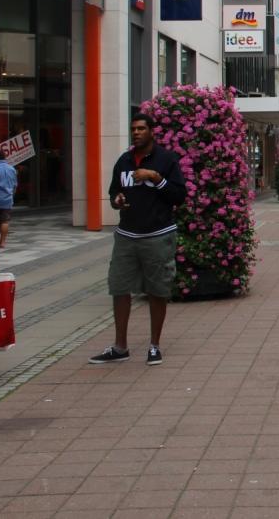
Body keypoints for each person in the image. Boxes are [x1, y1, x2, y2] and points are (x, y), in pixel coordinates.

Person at [89, 114, 185, 367]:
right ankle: (120, 347)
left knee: (157, 290)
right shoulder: (124, 161)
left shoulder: (166, 160)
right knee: (119, 287)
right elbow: (114, 191)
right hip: (127, 235)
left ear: (152, 131)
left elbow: (179, 195)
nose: (137, 132)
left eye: (142, 128)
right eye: (134, 129)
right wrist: (117, 200)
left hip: (158, 234)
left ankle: (154, 345)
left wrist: (155, 177)